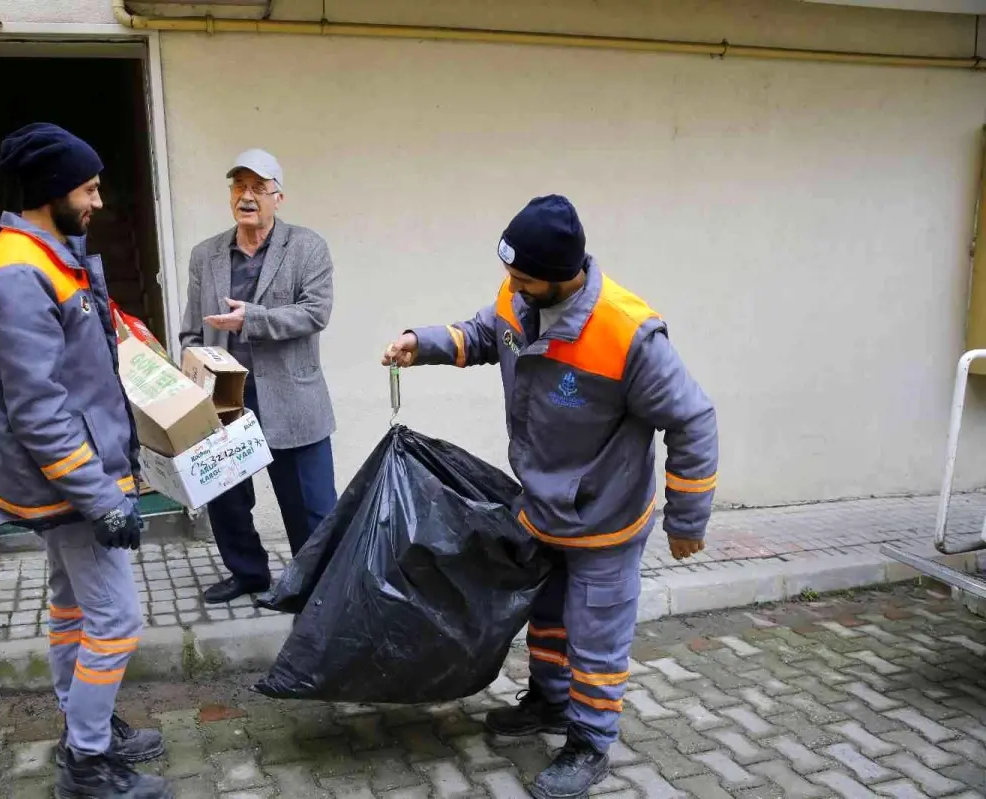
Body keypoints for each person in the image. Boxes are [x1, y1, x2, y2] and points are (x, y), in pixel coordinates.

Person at [382, 195, 718, 799]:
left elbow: (693, 419)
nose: (510, 288)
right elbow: (486, 332)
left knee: (595, 636)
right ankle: (548, 702)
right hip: (542, 508)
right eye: (509, 275)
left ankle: (589, 743)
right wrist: (421, 341)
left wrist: (687, 516)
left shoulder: (627, 334)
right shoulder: (520, 299)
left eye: (522, 278)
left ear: (564, 278)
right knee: (546, 617)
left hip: (604, 518)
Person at [0, 122, 172, 799]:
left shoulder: (44, 255)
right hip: (72, 483)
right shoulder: (21, 271)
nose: (98, 201)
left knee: (72, 607)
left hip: (65, 480)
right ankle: (87, 763)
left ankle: (89, 725)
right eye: (88, 188)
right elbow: (40, 408)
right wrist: (103, 496)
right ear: (52, 191)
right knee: (116, 620)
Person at [180, 148, 338, 604]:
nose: (246, 197)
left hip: (293, 395)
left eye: (257, 188)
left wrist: (252, 318)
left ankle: (313, 588)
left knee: (309, 505)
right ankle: (248, 573)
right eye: (238, 187)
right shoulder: (205, 254)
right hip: (226, 398)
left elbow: (314, 313)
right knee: (227, 499)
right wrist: (193, 370)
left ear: (278, 197)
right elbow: (194, 327)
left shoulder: (307, 247)